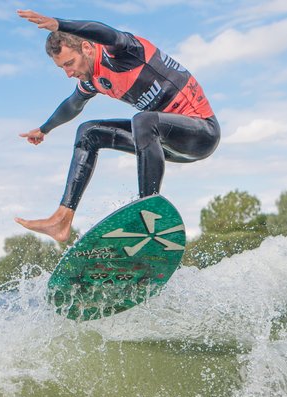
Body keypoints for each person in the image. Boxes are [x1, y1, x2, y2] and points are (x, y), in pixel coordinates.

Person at [14, 9, 220, 243]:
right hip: (163, 143)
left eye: (70, 63)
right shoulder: (92, 79)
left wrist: (59, 24)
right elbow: (72, 104)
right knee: (88, 132)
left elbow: (105, 32)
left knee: (144, 120)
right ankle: (62, 219)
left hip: (202, 133)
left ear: (87, 49)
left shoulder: (122, 52)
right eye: (62, 68)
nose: (68, 73)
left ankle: (148, 215)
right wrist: (44, 129)